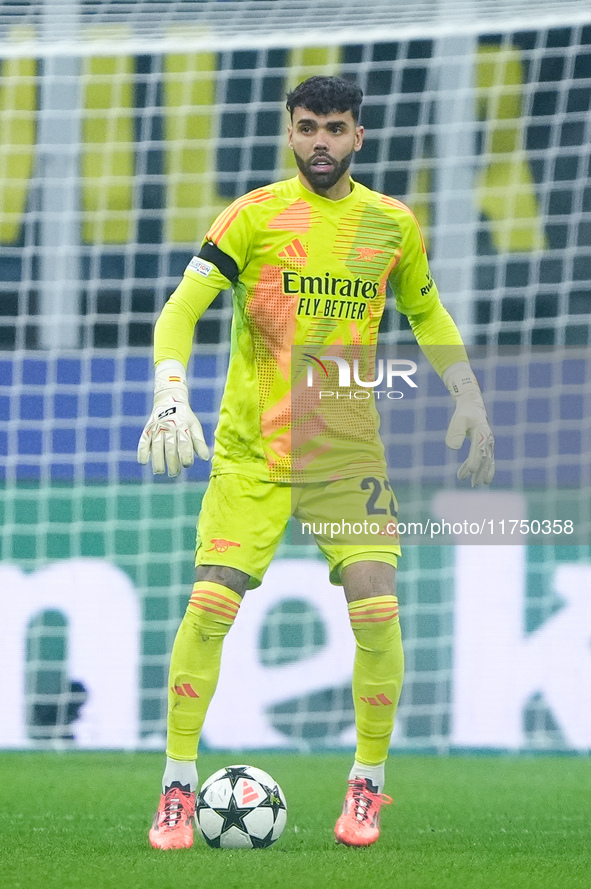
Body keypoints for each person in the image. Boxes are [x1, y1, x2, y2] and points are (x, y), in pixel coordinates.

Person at [138, 75, 494, 850]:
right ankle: (175, 786)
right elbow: (179, 310)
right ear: (289, 133)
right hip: (251, 453)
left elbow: (425, 308)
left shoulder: (390, 225)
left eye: (335, 128)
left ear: (357, 136)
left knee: (377, 605)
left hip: (344, 450)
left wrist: (465, 393)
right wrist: (171, 394)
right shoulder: (251, 218)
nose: (321, 142)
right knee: (210, 604)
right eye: (307, 128)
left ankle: (365, 784)